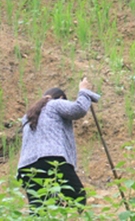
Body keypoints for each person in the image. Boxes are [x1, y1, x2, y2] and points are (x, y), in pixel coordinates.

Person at [17, 77, 99, 213]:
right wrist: (83, 91)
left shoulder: (28, 115)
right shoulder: (54, 104)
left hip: (26, 167)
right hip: (51, 159)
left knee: (40, 207)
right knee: (77, 197)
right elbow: (78, 109)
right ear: (61, 98)